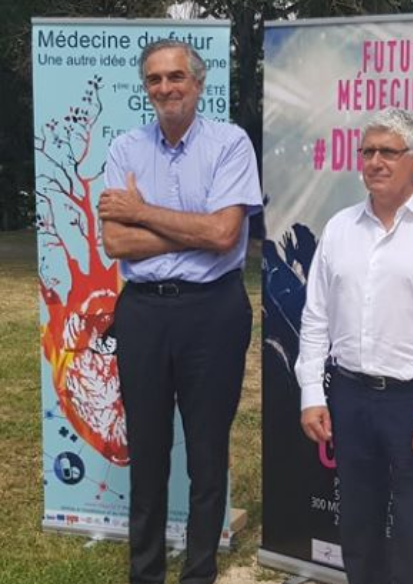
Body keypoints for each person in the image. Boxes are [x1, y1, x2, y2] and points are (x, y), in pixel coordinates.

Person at [98, 39, 262, 584]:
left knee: (207, 452)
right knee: (147, 450)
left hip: (213, 312)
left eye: (175, 77)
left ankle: (199, 572)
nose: (165, 88)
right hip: (143, 312)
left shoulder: (230, 143)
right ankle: (144, 574)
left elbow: (225, 234)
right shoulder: (125, 149)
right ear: (145, 87)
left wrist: (144, 212)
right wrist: (195, 230)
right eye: (154, 79)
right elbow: (116, 243)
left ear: (197, 82)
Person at [295, 108, 413, 584]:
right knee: (358, 523)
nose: (376, 162)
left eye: (388, 152)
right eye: (368, 152)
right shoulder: (339, 229)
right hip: (350, 396)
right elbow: (315, 318)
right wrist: (312, 393)